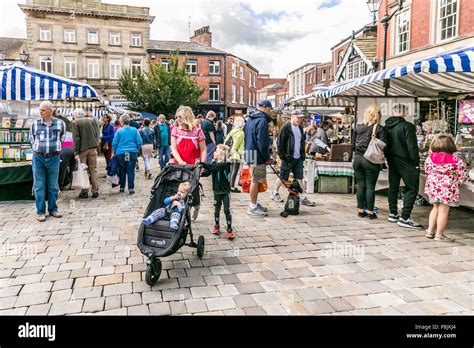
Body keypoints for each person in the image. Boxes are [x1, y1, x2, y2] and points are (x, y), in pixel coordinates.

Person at [385, 104, 423, 228]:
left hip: (391, 159)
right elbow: (412, 147)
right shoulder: (408, 126)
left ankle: (393, 213)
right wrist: (416, 163)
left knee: (393, 187)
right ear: (405, 113)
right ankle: (405, 217)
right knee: (412, 188)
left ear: (394, 111)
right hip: (405, 160)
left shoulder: (387, 126)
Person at [424, 135, 467, 242]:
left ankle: (430, 231)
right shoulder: (456, 161)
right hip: (447, 189)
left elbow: (427, 170)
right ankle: (439, 235)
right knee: (443, 211)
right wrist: (458, 181)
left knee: (435, 208)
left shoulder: (430, 158)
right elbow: (462, 177)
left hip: (433, 186)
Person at [30, 101, 66, 222]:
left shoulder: (60, 123)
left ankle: (53, 209)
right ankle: (40, 211)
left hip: (54, 157)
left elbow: (62, 138)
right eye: (40, 110)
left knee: (53, 185)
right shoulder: (34, 123)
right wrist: (39, 150)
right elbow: (32, 139)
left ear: (50, 111)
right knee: (39, 186)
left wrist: (53, 149)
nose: (40, 112)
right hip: (38, 157)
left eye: (43, 110)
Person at [272, 109, 315, 206]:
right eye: (298, 117)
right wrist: (283, 156)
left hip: (298, 157)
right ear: (292, 116)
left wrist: (302, 155)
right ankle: (275, 192)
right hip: (288, 157)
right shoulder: (286, 127)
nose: (299, 120)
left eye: (301, 118)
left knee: (299, 177)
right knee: (283, 176)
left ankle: (302, 197)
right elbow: (280, 143)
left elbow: (301, 142)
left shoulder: (300, 128)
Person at [170, 106, 206, 221]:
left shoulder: (198, 131)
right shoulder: (175, 130)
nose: (177, 119)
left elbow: (203, 150)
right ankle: (181, 213)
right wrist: (180, 162)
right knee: (180, 189)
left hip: (193, 166)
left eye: (180, 117)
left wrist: (202, 164)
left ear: (187, 117)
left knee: (192, 190)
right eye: (177, 117)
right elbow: (174, 149)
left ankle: (196, 206)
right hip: (179, 164)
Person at [352, 105, 386, 219]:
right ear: (378, 116)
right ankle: (370, 212)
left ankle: (360, 210)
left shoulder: (357, 128)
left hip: (357, 159)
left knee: (361, 185)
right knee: (370, 186)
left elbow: (352, 145)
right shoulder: (379, 128)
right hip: (370, 160)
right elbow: (384, 146)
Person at [243, 100, 272, 216]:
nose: (270, 111)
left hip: (249, 151)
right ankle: (253, 206)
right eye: (270, 109)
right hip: (257, 154)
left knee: (255, 178)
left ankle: (254, 202)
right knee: (256, 180)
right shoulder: (262, 120)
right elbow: (262, 142)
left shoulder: (250, 119)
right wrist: (266, 157)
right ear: (265, 108)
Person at [199, 145, 234, 239]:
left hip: (225, 191)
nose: (213, 153)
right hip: (216, 191)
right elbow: (209, 172)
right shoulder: (214, 163)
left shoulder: (225, 165)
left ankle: (229, 229)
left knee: (226, 210)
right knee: (216, 209)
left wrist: (202, 163)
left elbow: (214, 168)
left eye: (216, 152)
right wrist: (200, 173)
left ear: (221, 155)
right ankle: (217, 225)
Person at [72, 108, 100, 199]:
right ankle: (95, 190)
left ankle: (85, 191)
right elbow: (97, 133)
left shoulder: (75, 122)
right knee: (93, 170)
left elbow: (76, 138)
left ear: (76, 115)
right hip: (92, 148)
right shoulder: (91, 120)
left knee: (84, 170)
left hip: (82, 150)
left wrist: (76, 152)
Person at [112, 114, 143, 194]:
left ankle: (122, 187)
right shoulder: (134, 130)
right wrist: (137, 150)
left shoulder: (119, 131)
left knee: (122, 170)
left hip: (121, 153)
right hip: (132, 152)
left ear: (122, 122)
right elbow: (139, 142)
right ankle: (131, 188)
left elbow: (114, 143)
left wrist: (113, 152)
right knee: (131, 170)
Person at [224, 116, 245, 192]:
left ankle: (229, 185)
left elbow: (225, 141)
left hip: (229, 153)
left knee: (231, 170)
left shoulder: (232, 131)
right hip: (235, 154)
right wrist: (241, 154)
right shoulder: (241, 133)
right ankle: (231, 186)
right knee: (234, 171)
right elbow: (237, 145)